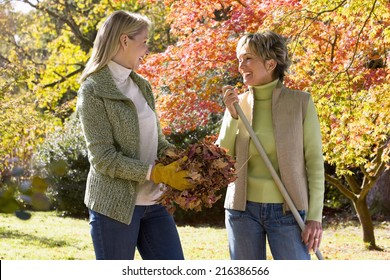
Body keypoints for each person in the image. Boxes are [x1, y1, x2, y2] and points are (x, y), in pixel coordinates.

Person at [76, 10, 193, 260]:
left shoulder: (141, 85)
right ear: (124, 40)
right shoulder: (93, 90)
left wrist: (178, 158)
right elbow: (103, 158)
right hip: (114, 208)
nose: (147, 49)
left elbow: (157, 140)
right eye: (144, 42)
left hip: (155, 202)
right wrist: (155, 172)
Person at [216, 31, 325, 260]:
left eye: (247, 58)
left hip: (289, 212)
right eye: (239, 60)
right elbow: (220, 156)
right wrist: (231, 116)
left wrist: (314, 217)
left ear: (270, 63)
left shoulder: (300, 103)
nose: (240, 66)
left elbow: (314, 162)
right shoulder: (239, 103)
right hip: (241, 211)